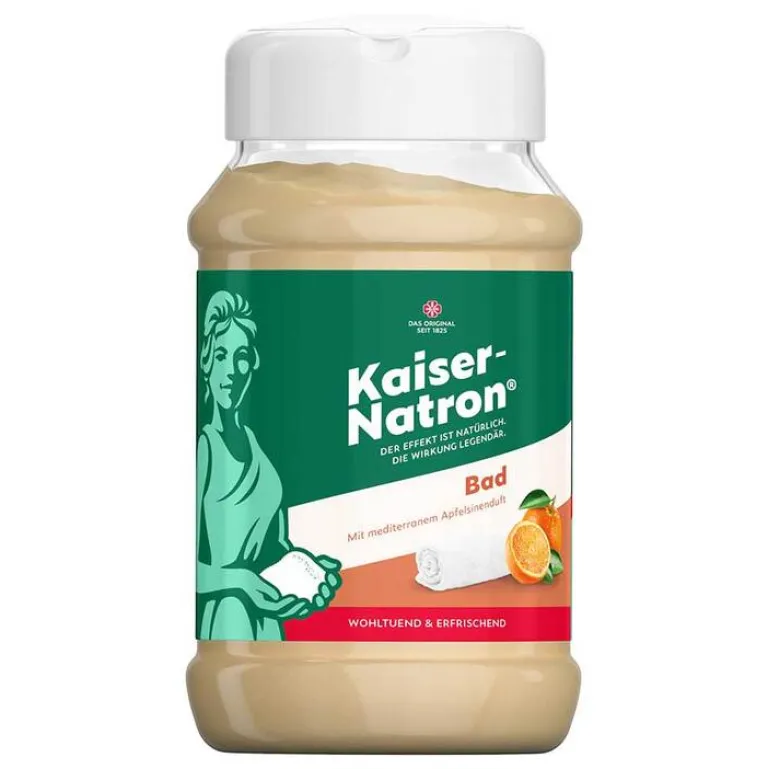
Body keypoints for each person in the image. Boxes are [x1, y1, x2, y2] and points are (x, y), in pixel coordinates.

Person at [197, 290, 341, 640]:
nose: (232, 371)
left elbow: (273, 547)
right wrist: (241, 581)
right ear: (206, 361)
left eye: (242, 357)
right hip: (229, 618)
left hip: (268, 621)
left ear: (253, 364)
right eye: (221, 355)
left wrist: (305, 569)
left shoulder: (255, 442)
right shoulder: (205, 447)